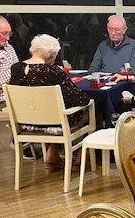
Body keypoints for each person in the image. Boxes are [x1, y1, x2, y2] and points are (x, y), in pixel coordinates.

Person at [9, 34, 90, 166]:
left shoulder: (16, 68)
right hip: (53, 125)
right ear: (52, 54)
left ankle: (52, 153)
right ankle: (80, 159)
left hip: (25, 124)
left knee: (48, 111)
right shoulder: (53, 71)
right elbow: (81, 99)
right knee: (92, 111)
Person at [88, 15, 135, 83]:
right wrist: (92, 79)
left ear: (124, 30)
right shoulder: (103, 45)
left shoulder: (134, 46)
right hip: (104, 82)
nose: (113, 33)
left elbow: (134, 72)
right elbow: (93, 69)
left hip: (124, 83)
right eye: (110, 29)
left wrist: (124, 76)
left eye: (117, 30)